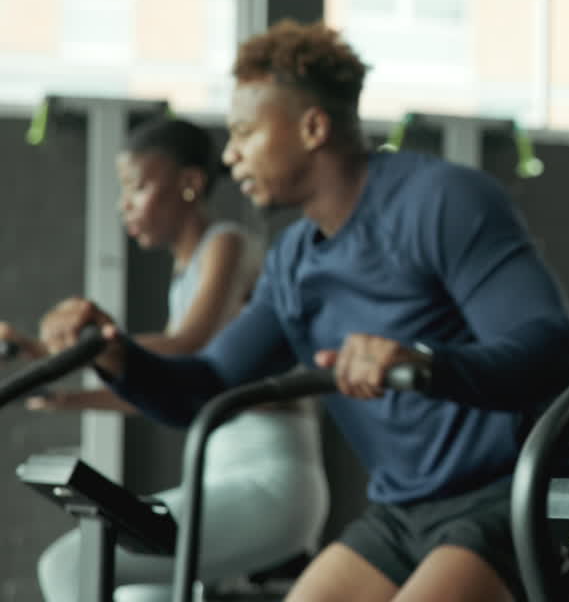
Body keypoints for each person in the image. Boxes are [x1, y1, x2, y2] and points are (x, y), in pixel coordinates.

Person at [39, 20, 569, 602]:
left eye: (246, 132)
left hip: (516, 495)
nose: (230, 154)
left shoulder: (442, 201)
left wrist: (425, 363)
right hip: (404, 512)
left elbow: (553, 349)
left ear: (312, 128)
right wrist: (115, 354)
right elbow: (205, 385)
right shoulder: (294, 262)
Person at [2, 118, 329, 602]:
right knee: (141, 596)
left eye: (137, 187)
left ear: (190, 183)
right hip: (221, 474)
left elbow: (189, 350)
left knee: (71, 564)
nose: (125, 205)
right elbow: (159, 390)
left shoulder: (227, 244)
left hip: (270, 481)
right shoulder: (184, 275)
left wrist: (64, 353)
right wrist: (62, 395)